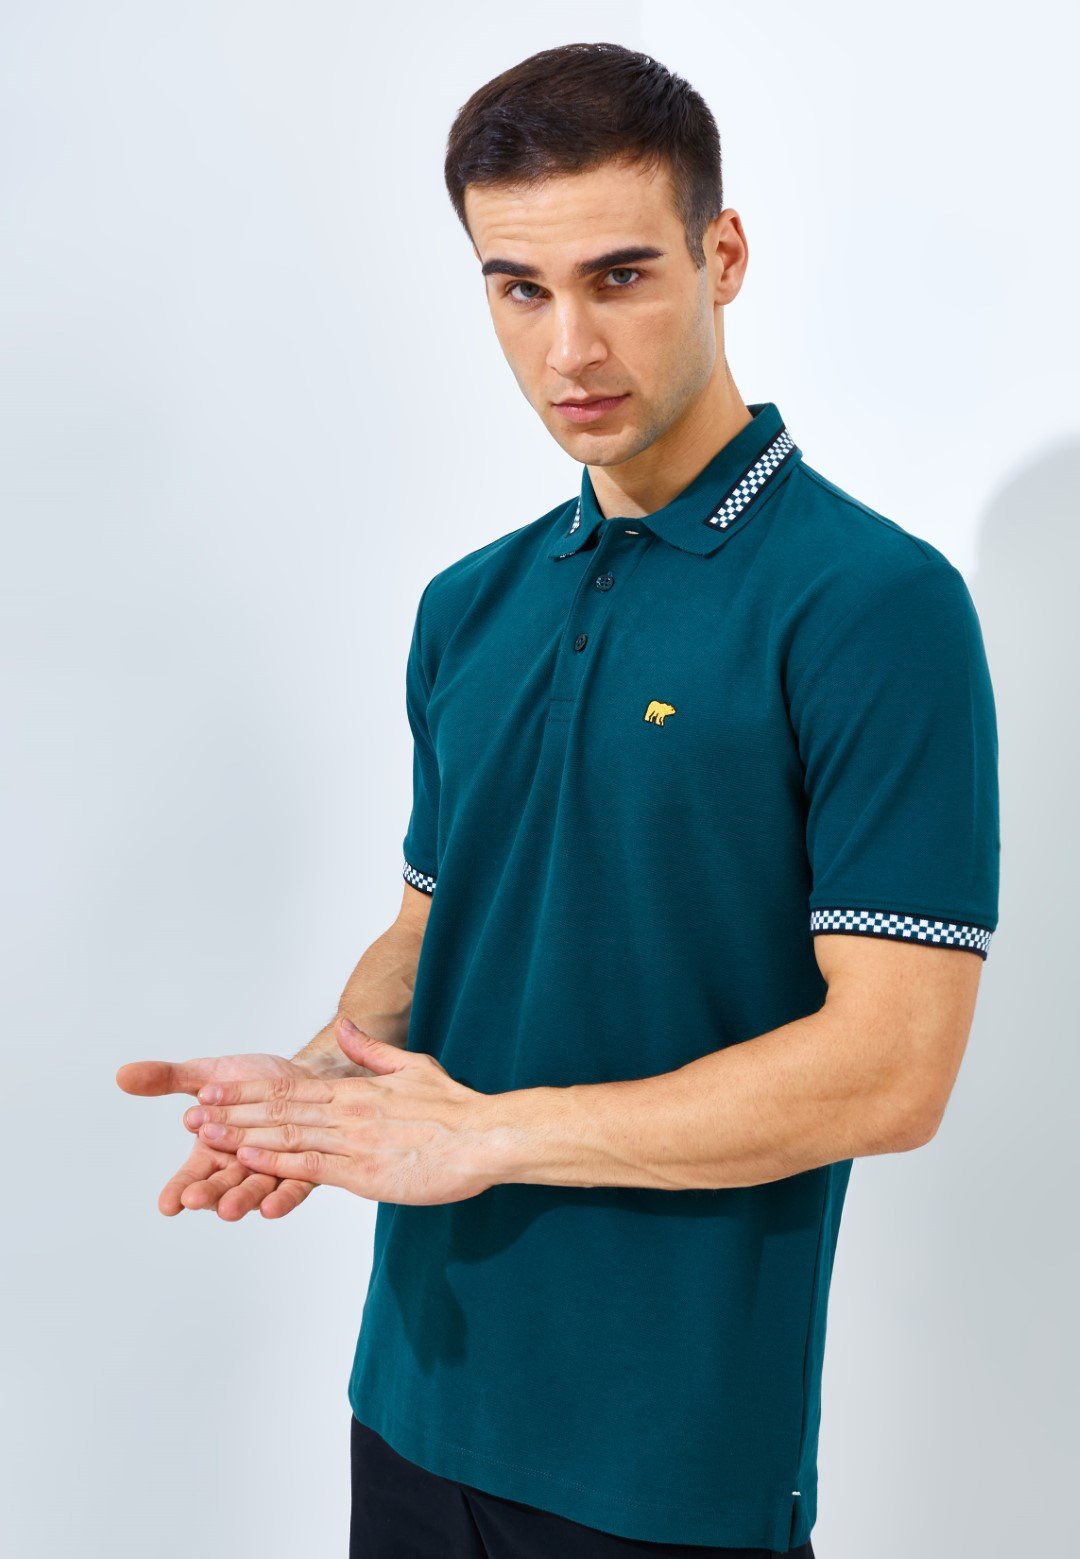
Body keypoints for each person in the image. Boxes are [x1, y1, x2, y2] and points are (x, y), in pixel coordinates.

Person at [116, 40, 1001, 1559]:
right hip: (413, 1398)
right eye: (519, 289)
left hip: (664, 1461)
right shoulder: (468, 606)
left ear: (724, 258)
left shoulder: (872, 605)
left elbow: (891, 1072)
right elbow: (437, 931)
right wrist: (314, 1092)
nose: (569, 347)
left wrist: (487, 1139)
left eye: (620, 276)